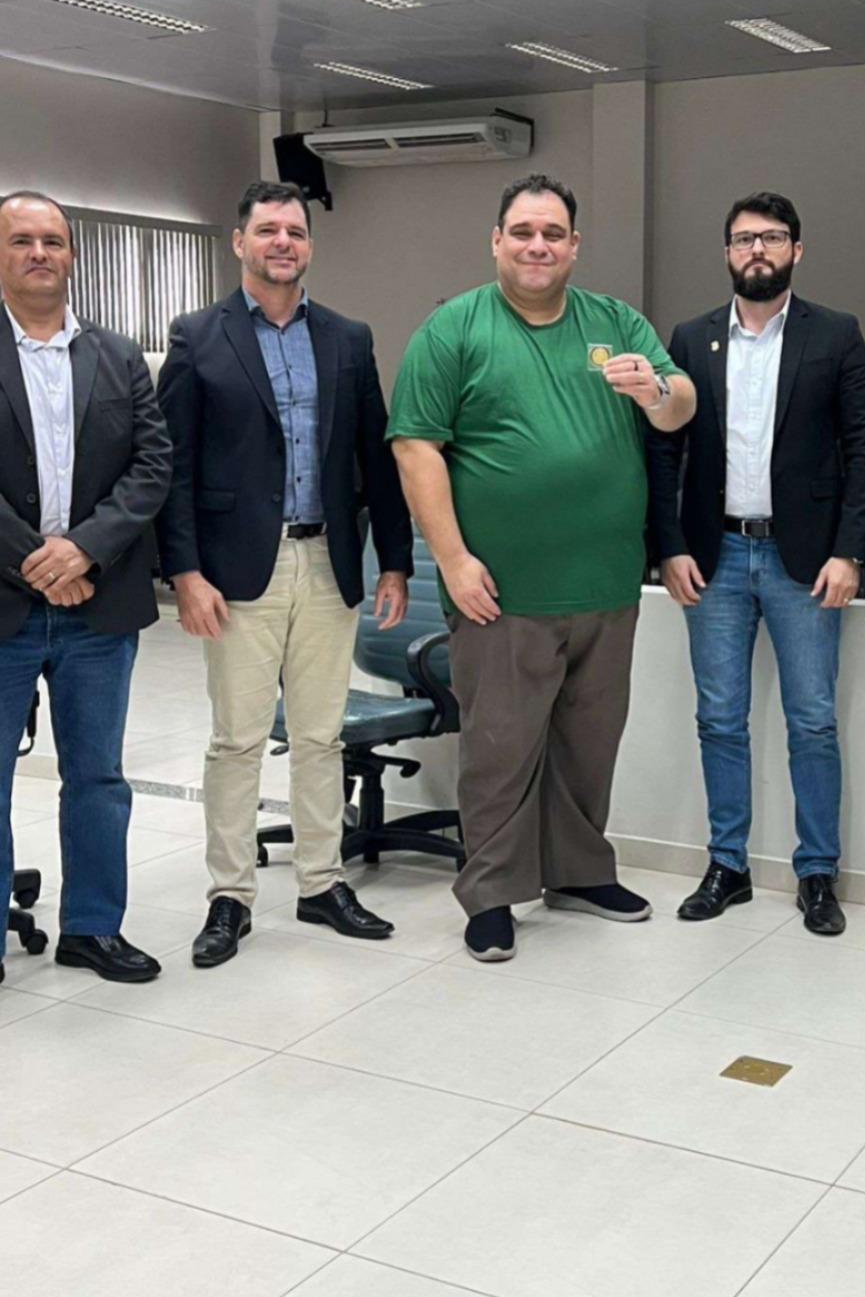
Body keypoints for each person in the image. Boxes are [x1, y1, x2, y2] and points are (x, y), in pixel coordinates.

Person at [389, 173, 696, 962]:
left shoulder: (614, 321)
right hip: (502, 591)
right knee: (499, 747)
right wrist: (452, 561)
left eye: (552, 233)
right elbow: (416, 448)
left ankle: (579, 871)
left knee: (589, 741)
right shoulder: (453, 328)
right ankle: (491, 894)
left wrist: (656, 387)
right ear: (496, 240)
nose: (537, 245)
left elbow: (681, 401)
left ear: (574, 245)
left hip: (605, 584)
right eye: (522, 231)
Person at [156, 181, 412, 968]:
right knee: (236, 739)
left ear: (309, 244)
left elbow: (377, 456)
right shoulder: (198, 336)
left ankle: (321, 881)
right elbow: (172, 468)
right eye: (267, 229)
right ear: (239, 241)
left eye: (294, 231)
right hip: (237, 572)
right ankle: (230, 897)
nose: (282, 243)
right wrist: (185, 573)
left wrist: (395, 559)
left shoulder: (345, 336)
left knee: (318, 735)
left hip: (328, 559)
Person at [647, 191, 865, 933]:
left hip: (805, 560)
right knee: (719, 716)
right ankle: (728, 865)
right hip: (713, 556)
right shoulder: (689, 338)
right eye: (745, 238)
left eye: (772, 238)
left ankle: (817, 873)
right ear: (726, 252)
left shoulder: (836, 334)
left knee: (811, 720)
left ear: (796, 251)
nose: (758, 249)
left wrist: (851, 551)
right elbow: (662, 447)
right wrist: (669, 545)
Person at [0, 190, 171, 985]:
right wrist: (38, 558)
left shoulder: (117, 354)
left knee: (98, 775)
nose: (41, 253)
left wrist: (85, 551)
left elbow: (152, 465)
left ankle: (93, 928)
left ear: (73, 255)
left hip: (99, 605)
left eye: (54, 241)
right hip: (5, 599)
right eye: (23, 240)